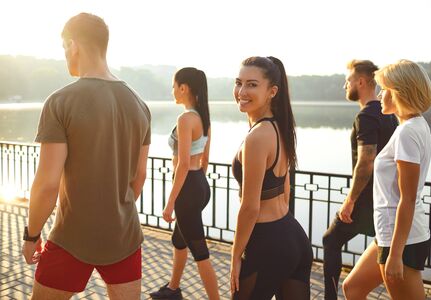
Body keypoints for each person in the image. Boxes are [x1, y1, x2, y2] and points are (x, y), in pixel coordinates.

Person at [21, 13, 151, 299]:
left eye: (64, 47)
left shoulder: (60, 102)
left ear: (73, 45)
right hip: (125, 235)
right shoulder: (140, 105)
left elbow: (47, 185)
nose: (65, 54)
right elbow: (139, 177)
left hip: (71, 238)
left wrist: (32, 235)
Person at [342, 60, 431, 300]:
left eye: (385, 90)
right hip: (389, 234)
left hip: (400, 240)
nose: (380, 95)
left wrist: (395, 254)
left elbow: (408, 198)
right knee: (352, 289)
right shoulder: (415, 125)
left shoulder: (407, 133)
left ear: (399, 92)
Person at [230, 56, 313, 300]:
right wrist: (281, 234)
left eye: (252, 84)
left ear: (272, 91)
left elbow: (249, 207)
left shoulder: (256, 137)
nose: (242, 91)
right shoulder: (279, 128)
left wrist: (235, 255)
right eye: (239, 82)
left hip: (267, 242)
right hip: (292, 235)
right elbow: (285, 191)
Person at [321, 60, 398, 299]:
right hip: (386, 199)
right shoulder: (389, 115)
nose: (345, 85)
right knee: (383, 249)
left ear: (362, 82)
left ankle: (330, 297)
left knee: (330, 240)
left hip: (366, 200)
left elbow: (366, 161)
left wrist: (350, 200)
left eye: (349, 80)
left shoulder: (366, 117)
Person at [150, 67, 219, 300]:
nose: (172, 91)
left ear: (184, 87)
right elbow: (205, 159)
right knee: (179, 240)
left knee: (200, 252)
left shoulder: (186, 118)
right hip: (200, 183)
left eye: (174, 86)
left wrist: (171, 203)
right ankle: (173, 289)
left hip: (188, 187)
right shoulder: (204, 117)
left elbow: (181, 164)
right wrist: (197, 185)